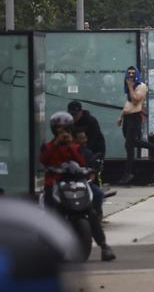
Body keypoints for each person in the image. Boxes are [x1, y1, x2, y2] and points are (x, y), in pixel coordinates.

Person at [40, 112, 116, 261]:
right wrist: (56, 144)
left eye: (65, 128)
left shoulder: (75, 146)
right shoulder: (47, 146)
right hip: (55, 183)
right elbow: (44, 159)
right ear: (54, 129)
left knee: (91, 211)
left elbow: (81, 161)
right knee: (51, 209)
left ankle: (104, 246)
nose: (62, 131)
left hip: (76, 183)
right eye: (58, 128)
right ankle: (48, 243)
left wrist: (69, 146)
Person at [114, 66, 148, 185]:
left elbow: (135, 101)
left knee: (130, 143)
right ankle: (128, 173)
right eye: (129, 73)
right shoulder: (129, 88)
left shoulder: (141, 86)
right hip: (128, 117)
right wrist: (121, 116)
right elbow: (128, 104)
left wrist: (130, 86)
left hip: (135, 117)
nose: (131, 76)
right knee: (131, 144)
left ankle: (127, 174)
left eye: (133, 73)